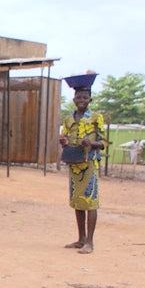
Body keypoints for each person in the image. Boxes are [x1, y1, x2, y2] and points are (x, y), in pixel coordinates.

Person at [58, 73, 106, 254]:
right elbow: (65, 139)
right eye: (78, 97)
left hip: (89, 164)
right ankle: (80, 239)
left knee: (90, 202)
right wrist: (63, 142)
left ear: (90, 99)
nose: (81, 100)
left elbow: (102, 143)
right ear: (74, 99)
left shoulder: (95, 118)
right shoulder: (68, 120)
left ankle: (90, 242)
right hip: (74, 163)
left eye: (85, 97)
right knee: (77, 202)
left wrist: (91, 143)